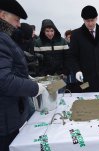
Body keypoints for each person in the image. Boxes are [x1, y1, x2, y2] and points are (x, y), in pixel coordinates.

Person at [0, 0, 46, 150]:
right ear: (3, 15)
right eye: (17, 19)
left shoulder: (4, 37)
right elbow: (4, 81)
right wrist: (34, 88)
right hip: (4, 118)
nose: (19, 25)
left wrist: (26, 77)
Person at [70, 5, 99, 92]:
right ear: (83, 20)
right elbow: (72, 56)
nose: (90, 23)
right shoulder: (76, 34)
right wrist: (77, 70)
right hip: (86, 78)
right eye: (87, 21)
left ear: (97, 18)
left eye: (92, 20)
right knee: (88, 103)